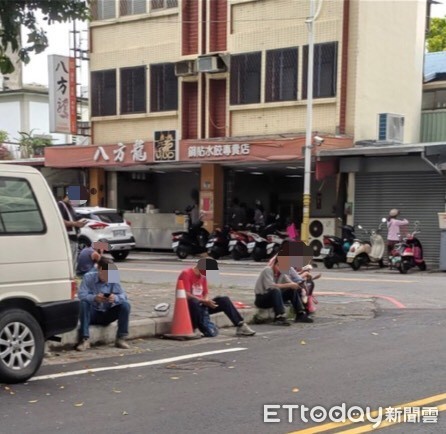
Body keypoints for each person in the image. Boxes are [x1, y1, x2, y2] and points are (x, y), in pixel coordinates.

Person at [177, 258, 256, 337]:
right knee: (194, 302)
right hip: (190, 306)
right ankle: (195, 328)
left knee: (224, 300)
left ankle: (240, 325)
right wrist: (203, 301)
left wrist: (207, 302)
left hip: (202, 304)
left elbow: (205, 293)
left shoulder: (203, 277)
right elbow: (186, 295)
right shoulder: (186, 274)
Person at [76, 258, 131, 351]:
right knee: (83, 303)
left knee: (125, 305)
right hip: (92, 313)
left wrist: (115, 298)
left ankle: (121, 338)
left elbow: (123, 295)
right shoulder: (88, 277)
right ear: (99, 269)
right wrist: (94, 298)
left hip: (107, 312)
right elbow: (81, 295)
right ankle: (84, 339)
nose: (107, 277)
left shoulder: (113, 278)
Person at [254, 255, 313, 325]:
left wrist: (298, 286)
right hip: (262, 299)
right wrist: (289, 285)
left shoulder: (281, 273)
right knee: (276, 290)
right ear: (276, 264)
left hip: (274, 298)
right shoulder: (267, 270)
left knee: (291, 290)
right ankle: (279, 317)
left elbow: (290, 283)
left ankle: (300, 314)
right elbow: (271, 286)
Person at [57, 192, 86, 269]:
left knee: (73, 263)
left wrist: (79, 223)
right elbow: (59, 221)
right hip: (68, 238)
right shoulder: (60, 205)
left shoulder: (70, 207)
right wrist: (75, 223)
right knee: (70, 263)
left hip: (74, 238)